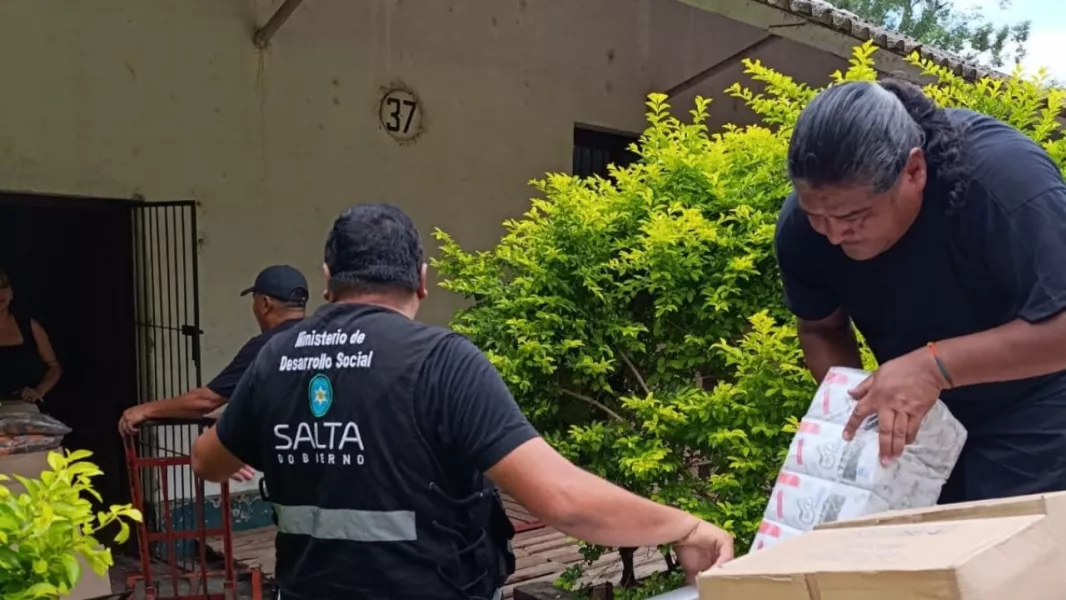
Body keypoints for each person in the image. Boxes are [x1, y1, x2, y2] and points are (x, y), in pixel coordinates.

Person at [190, 204, 734, 600]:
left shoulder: (276, 357)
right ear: (422, 281)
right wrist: (685, 526)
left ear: (328, 281)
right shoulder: (440, 361)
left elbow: (208, 461)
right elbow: (562, 499)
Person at [774, 78, 1066, 504]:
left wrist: (932, 367)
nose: (834, 235)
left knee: (1013, 540)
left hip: (1042, 398)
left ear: (914, 171)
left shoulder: (1006, 182)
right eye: (818, 217)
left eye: (854, 217)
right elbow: (821, 328)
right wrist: (858, 411)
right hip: (929, 420)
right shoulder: (803, 229)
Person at [119, 265, 309, 436]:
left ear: (265, 304)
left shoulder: (268, 346)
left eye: (255, 301)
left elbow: (205, 401)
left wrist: (146, 410)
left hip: (286, 454)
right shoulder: (321, 338)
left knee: (204, 454)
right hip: (321, 451)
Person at [0, 268, 62, 403]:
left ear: (11, 293)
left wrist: (39, 390)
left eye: (4, 287)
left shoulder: (29, 326)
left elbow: (54, 367)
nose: (1, 293)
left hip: (23, 406)